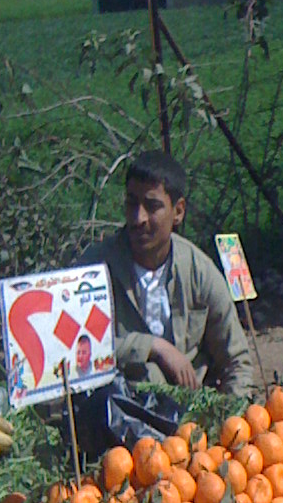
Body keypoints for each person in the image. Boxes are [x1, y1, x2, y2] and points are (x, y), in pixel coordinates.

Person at [78, 153, 254, 395]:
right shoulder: (92, 272)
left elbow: (237, 361)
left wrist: (234, 413)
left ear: (178, 211)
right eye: (132, 204)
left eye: (152, 207)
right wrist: (153, 347)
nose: (138, 218)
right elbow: (76, 351)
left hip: (190, 410)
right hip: (115, 407)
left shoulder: (199, 272)